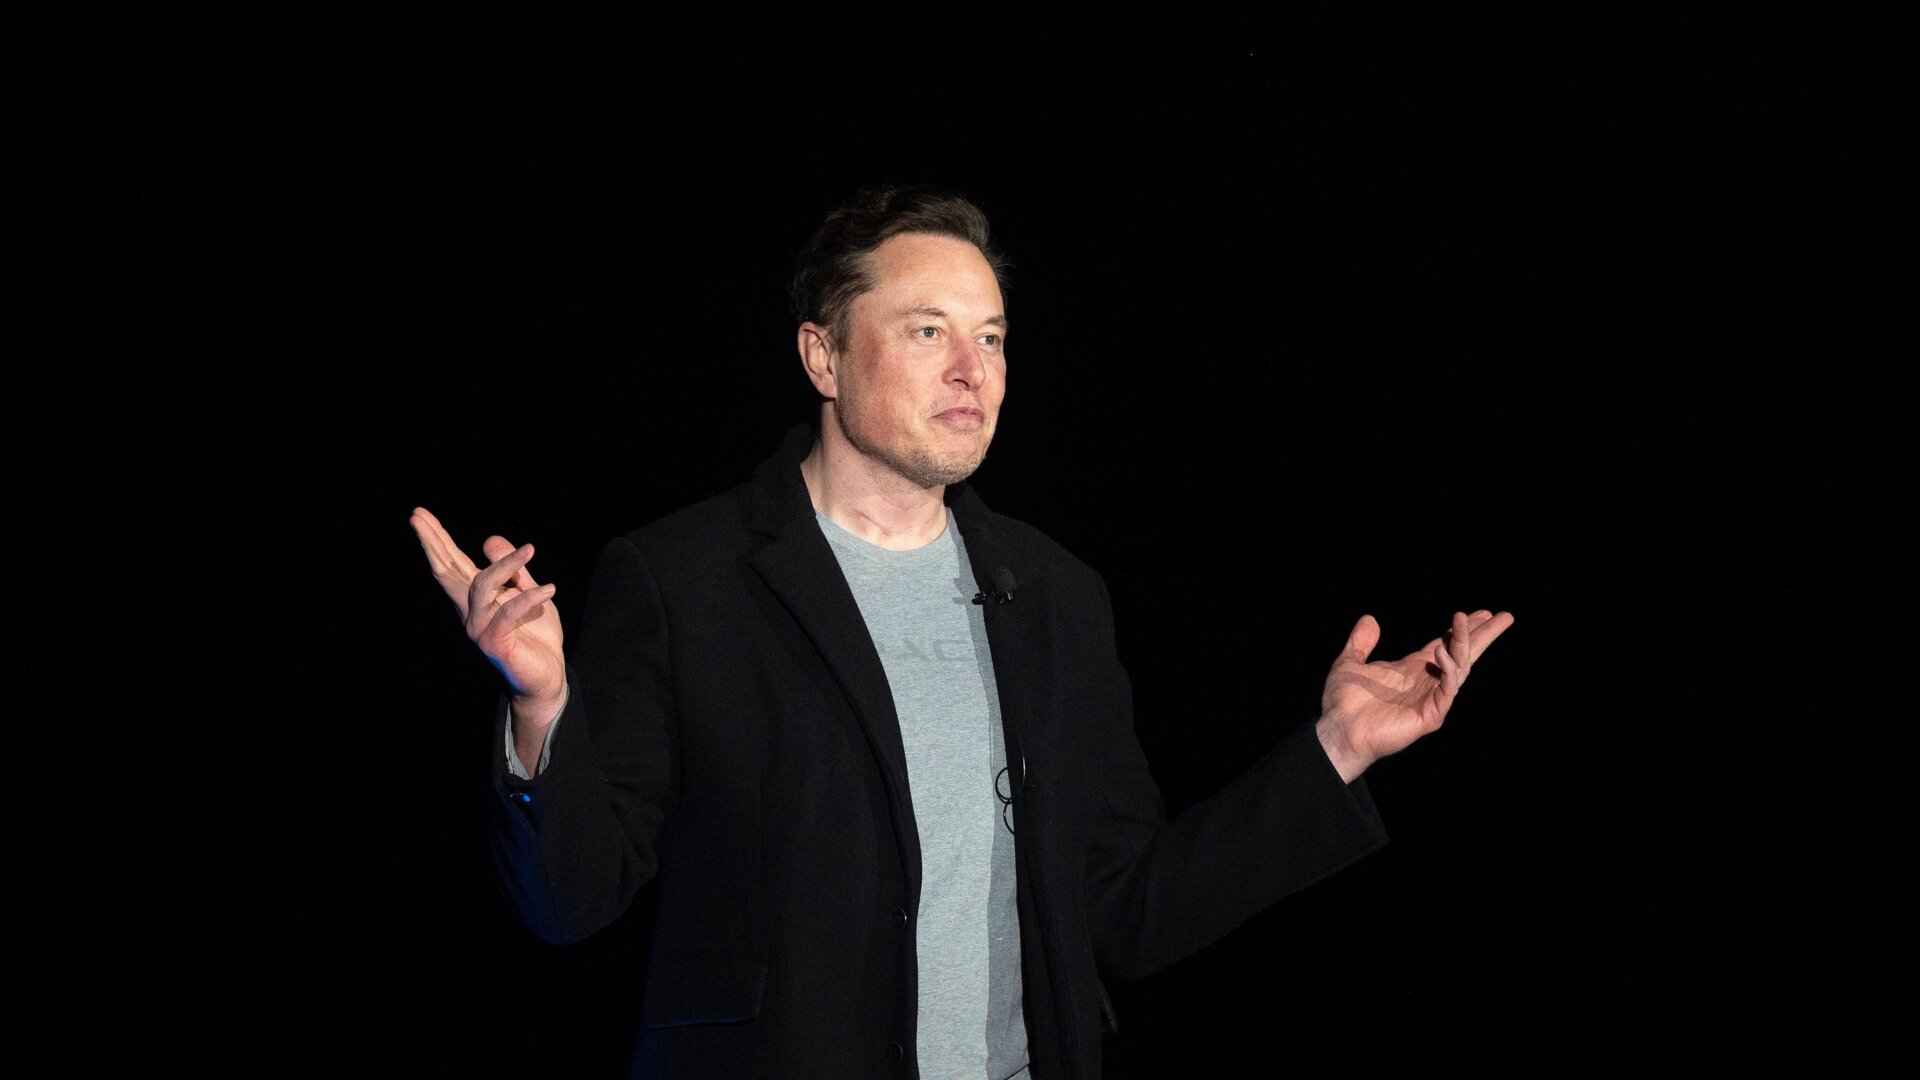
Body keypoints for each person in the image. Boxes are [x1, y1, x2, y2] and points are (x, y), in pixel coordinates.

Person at [410, 188, 1513, 1079]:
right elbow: (573, 901)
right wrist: (542, 708)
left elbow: (1122, 911)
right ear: (824, 357)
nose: (972, 369)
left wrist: (1336, 756)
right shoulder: (683, 578)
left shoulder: (1057, 596)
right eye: (927, 330)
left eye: (990, 336)